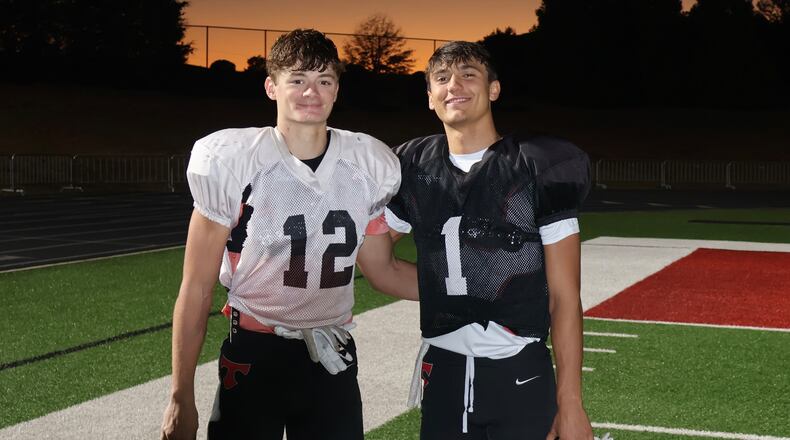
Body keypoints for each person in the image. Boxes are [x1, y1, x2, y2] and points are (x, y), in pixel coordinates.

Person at [160, 29, 417, 440]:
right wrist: (180, 396)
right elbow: (195, 290)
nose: (311, 91)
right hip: (254, 352)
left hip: (333, 353)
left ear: (336, 91)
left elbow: (383, 271)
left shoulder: (367, 165)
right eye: (297, 79)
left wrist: (476, 290)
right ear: (271, 86)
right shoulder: (234, 162)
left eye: (324, 81)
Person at [384, 41, 594, 440]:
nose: (454, 85)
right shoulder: (414, 167)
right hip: (442, 370)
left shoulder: (534, 164)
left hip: (518, 370)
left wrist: (570, 403)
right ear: (429, 97)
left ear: (494, 89)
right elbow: (378, 263)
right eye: (442, 78)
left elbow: (565, 298)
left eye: (468, 74)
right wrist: (441, 289)